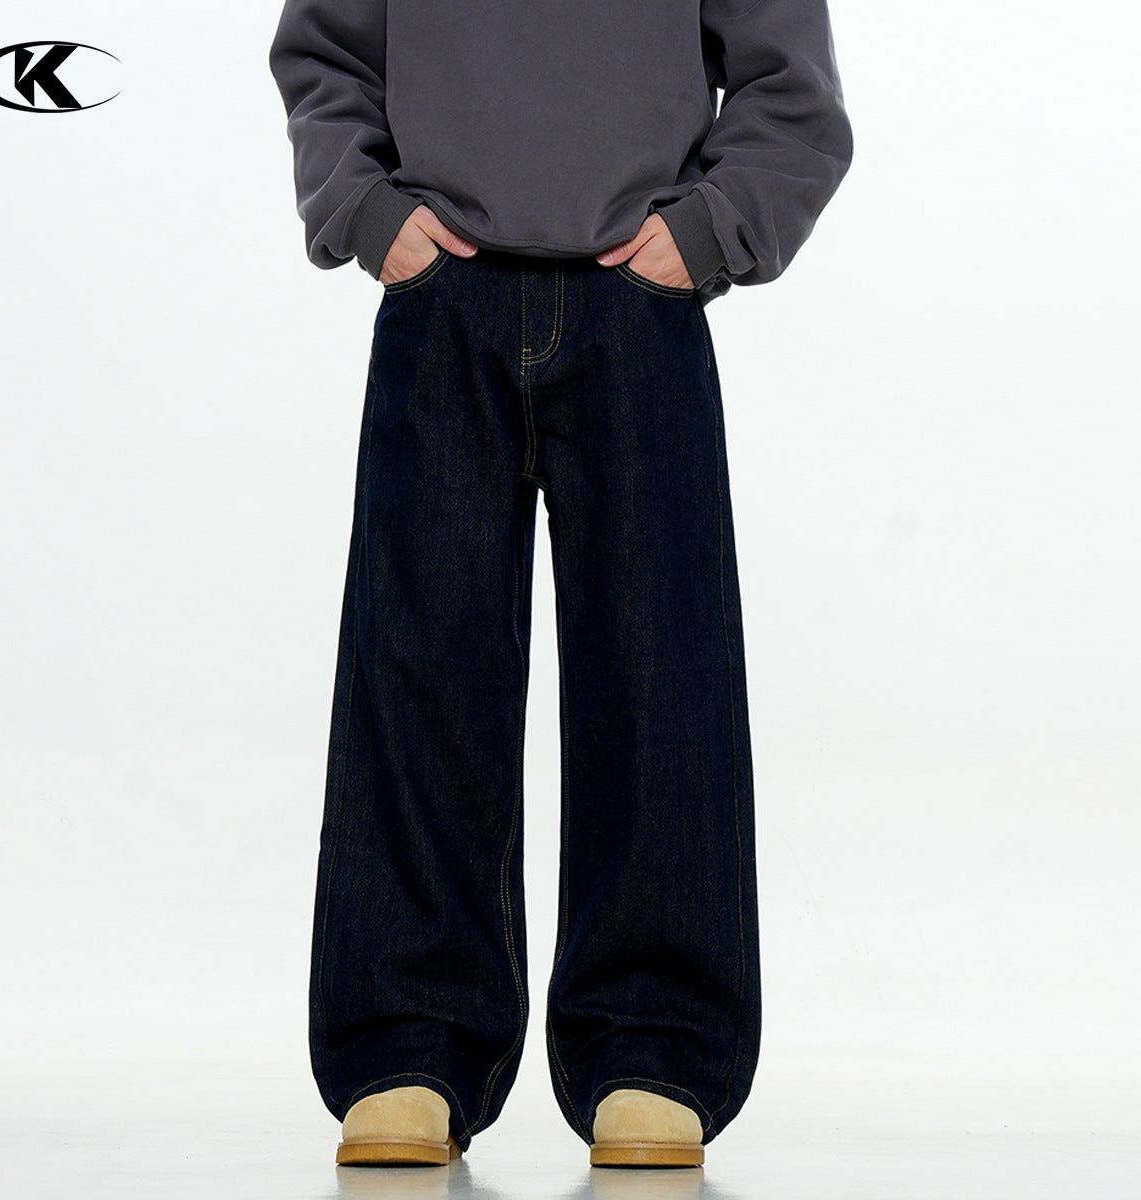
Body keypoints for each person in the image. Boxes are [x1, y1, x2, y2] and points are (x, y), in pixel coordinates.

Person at [269, 0, 853, 1170]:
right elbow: (325, 52)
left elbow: (791, 88)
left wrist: (718, 225)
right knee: (419, 673)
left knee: (658, 682)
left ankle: (654, 1045)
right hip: (442, 298)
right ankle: (408, 1043)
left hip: (639, 304)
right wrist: (365, 207)